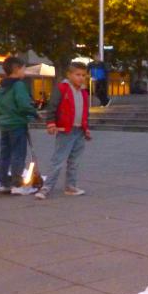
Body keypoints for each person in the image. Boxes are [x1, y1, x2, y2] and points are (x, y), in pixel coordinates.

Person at [35, 62, 92, 199]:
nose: (81, 78)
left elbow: (85, 112)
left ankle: (70, 186)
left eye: (83, 75)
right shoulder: (62, 88)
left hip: (79, 131)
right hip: (66, 130)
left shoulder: (84, 92)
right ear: (69, 75)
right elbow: (52, 107)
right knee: (58, 160)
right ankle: (47, 188)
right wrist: (51, 123)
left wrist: (86, 128)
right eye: (77, 74)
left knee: (75, 161)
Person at [0, 56, 39, 194]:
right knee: (18, 153)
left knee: (5, 153)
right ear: (16, 69)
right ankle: (16, 182)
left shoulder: (1, 86)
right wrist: (35, 113)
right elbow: (24, 104)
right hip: (17, 123)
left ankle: (3, 180)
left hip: (4, 123)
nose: (25, 71)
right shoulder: (18, 85)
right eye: (24, 68)